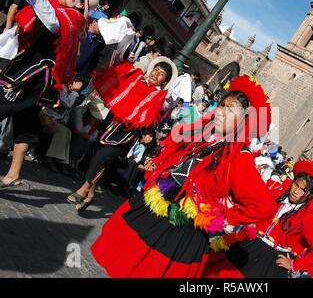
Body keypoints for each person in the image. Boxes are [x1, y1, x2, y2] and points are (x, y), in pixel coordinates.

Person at [91, 75, 277, 278]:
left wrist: (223, 216)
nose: (222, 112)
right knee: (122, 258)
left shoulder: (239, 158)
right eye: (222, 106)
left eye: (230, 110)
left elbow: (265, 207)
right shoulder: (204, 134)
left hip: (184, 228)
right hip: (161, 204)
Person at [0, 0, 99, 189]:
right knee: (25, 122)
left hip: (35, 77)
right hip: (29, 68)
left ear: (80, 5)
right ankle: (13, 175)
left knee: (6, 107)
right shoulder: (60, 6)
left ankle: (13, 175)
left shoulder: (69, 18)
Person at [66, 57, 178, 212]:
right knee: (98, 159)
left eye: (161, 74)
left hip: (127, 135)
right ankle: (91, 195)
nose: (156, 74)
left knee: (102, 157)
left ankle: (84, 189)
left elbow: (167, 105)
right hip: (111, 125)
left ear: (165, 81)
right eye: (156, 70)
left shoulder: (161, 97)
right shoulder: (137, 81)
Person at [203, 160, 313, 278]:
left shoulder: (309, 218)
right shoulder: (276, 196)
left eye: (303, 190)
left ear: (309, 195)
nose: (296, 191)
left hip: (272, 262)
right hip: (250, 245)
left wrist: (294, 265)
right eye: (296, 185)